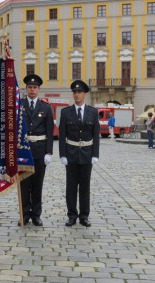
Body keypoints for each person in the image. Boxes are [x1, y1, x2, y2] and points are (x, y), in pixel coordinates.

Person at [59, 80, 100, 228]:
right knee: (71, 187)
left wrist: (96, 154)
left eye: (79, 92)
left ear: (85, 94)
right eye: (74, 92)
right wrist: (62, 154)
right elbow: (62, 134)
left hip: (87, 154)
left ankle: (84, 216)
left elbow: (96, 135)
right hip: (70, 154)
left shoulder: (93, 112)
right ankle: (72, 215)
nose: (76, 95)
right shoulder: (65, 112)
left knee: (85, 187)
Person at [19, 74, 54, 227]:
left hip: (40, 152)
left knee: (37, 185)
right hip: (24, 151)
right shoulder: (19, 106)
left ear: (39, 89)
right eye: (29, 87)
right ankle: (25, 214)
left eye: (35, 87)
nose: (32, 90)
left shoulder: (45, 107)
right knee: (24, 184)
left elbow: (49, 131)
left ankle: (36, 215)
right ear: (26, 89)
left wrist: (49, 152)